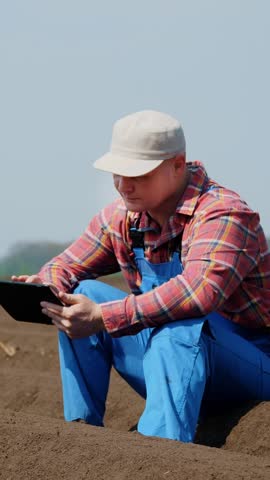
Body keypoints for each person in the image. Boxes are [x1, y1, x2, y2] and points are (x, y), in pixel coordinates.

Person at [12, 110, 270, 443]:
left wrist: (103, 316)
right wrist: (47, 285)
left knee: (179, 329)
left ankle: (160, 453)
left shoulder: (222, 214)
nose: (123, 185)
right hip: (171, 362)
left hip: (249, 364)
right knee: (85, 292)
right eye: (118, 173)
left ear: (178, 165)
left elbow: (197, 293)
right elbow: (67, 264)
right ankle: (80, 437)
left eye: (139, 174)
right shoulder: (123, 217)